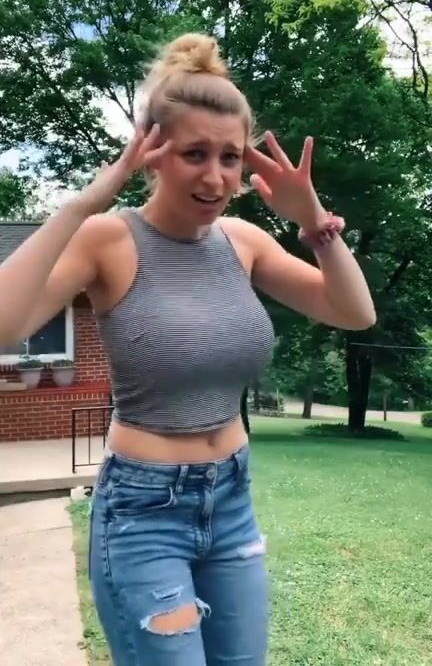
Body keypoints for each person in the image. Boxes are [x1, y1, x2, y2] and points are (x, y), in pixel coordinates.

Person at [0, 33, 376, 666]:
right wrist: (85, 202)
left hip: (230, 500)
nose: (215, 176)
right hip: (142, 511)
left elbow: (353, 312)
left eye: (230, 157)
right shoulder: (107, 240)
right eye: (195, 153)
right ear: (151, 153)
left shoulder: (243, 241)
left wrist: (313, 222)